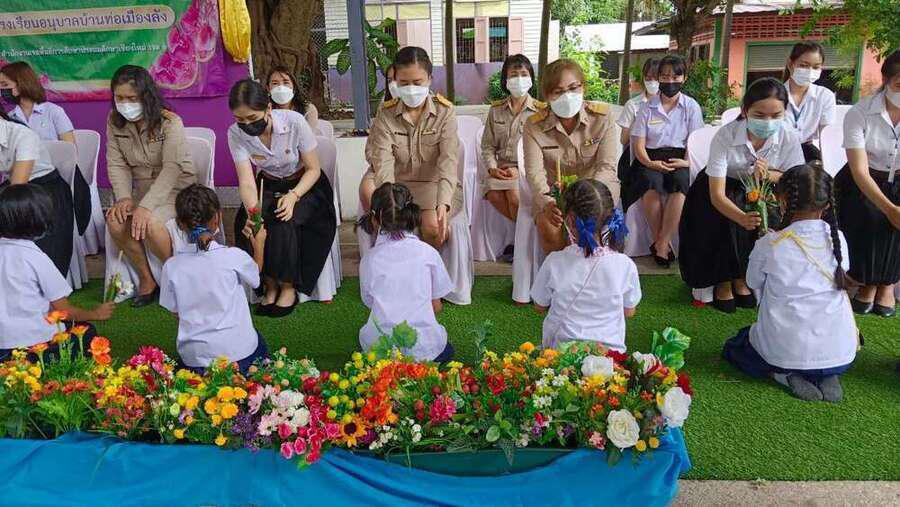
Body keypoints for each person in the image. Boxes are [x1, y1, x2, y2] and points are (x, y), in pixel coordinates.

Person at [722, 163, 856, 402]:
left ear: (782, 200)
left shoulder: (771, 244)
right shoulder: (838, 239)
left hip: (784, 350)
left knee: (737, 346)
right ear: (827, 205)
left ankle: (783, 374)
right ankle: (827, 373)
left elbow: (752, 281)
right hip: (840, 351)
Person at [679, 77, 805, 313]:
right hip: (718, 189)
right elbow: (716, 194)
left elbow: (796, 177)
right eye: (760, 115)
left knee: (763, 217)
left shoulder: (788, 137)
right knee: (724, 220)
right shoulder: (726, 135)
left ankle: (742, 277)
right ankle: (723, 280)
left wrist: (769, 175)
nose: (768, 122)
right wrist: (740, 217)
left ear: (785, 112)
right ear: (745, 110)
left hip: (761, 187)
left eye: (776, 115)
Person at [227, 79, 336, 318]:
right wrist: (253, 213)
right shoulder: (235, 133)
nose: (247, 125)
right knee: (248, 224)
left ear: (268, 108)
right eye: (240, 120)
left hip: (305, 185)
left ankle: (287, 287)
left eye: (252, 118)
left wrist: (293, 196)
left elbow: (313, 169)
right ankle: (269, 285)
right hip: (267, 183)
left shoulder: (294, 121)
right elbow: (247, 182)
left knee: (283, 218)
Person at [105, 65, 197, 308]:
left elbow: (172, 169)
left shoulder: (170, 122)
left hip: (177, 190)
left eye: (131, 98)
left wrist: (145, 208)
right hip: (142, 191)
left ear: (146, 96)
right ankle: (147, 279)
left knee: (152, 223)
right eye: (119, 98)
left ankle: (176, 277)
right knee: (115, 220)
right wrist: (124, 197)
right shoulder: (114, 121)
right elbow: (117, 163)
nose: (125, 104)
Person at [160, 185, 268, 374]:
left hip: (195, 361)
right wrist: (259, 244)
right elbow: (255, 275)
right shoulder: (233, 256)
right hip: (240, 356)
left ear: (180, 224)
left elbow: (175, 312)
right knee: (259, 343)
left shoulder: (171, 266)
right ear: (217, 218)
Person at [0, 184, 114, 361]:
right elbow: (64, 310)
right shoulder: (35, 257)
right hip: (34, 347)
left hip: (2, 346)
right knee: (87, 331)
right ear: (39, 220)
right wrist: (96, 314)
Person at [365, 46, 460, 250]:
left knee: (434, 228)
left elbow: (448, 162)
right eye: (404, 83)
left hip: (434, 185)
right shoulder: (386, 113)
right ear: (395, 81)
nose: (411, 89)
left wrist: (443, 202)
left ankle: (427, 267)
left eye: (417, 83)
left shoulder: (445, 112)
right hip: (400, 187)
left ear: (430, 79)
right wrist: (391, 201)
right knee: (393, 229)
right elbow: (383, 162)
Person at [523, 58, 620, 254]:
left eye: (573, 88)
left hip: (597, 191)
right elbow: (535, 173)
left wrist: (589, 199)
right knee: (550, 227)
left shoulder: (602, 117)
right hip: (555, 194)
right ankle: (560, 270)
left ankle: (598, 271)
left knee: (597, 225)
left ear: (583, 87)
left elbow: (607, 166)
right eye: (558, 91)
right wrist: (549, 203)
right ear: (547, 96)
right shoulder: (534, 125)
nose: (567, 96)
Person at [531, 179, 640, 352]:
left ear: (570, 220)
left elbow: (540, 306)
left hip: (561, 357)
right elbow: (629, 311)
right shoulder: (625, 265)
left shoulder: (554, 261)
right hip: (610, 358)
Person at [358, 182, 454, 362]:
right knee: (446, 350)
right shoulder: (429, 253)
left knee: (366, 345)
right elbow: (436, 306)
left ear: (375, 218)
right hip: (424, 348)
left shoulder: (369, 259)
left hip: (381, 350)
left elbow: (369, 301)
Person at [837, 50, 900, 317]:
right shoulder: (860, 112)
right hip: (863, 179)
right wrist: (889, 209)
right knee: (870, 214)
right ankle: (866, 282)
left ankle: (887, 284)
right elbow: (859, 170)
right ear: (886, 80)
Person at [627, 55, 704, 267]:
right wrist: (650, 163)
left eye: (675, 76)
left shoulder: (691, 106)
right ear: (659, 78)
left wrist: (686, 163)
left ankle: (663, 241)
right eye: (665, 76)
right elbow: (638, 145)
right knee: (650, 182)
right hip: (649, 158)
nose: (670, 81)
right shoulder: (646, 107)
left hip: (680, 158)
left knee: (681, 181)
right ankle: (659, 240)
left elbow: (696, 141)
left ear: (684, 78)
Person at [0, 110, 74, 276]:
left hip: (44, 190)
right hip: (13, 188)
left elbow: (17, 187)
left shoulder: (23, 135)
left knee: (44, 249)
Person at [481, 54, 545, 231]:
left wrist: (519, 170)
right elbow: (487, 146)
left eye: (524, 74)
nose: (519, 79)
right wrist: (492, 168)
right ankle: (523, 234)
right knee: (492, 194)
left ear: (531, 78)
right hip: (500, 170)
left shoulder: (540, 112)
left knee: (514, 197)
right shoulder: (495, 110)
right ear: (505, 80)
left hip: (528, 170)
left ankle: (521, 240)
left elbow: (544, 150)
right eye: (514, 75)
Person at [782, 42, 837, 162]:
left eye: (816, 67)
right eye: (803, 65)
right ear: (790, 64)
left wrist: (827, 163)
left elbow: (826, 136)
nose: (810, 71)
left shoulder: (824, 96)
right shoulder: (774, 94)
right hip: (777, 151)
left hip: (807, 152)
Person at [0, 61, 75, 143]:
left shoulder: (53, 111)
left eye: (5, 85)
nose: (1, 90)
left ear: (22, 84)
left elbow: (70, 146)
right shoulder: (10, 117)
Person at [358, 64, 397, 214]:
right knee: (368, 190)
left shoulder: (429, 107)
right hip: (382, 166)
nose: (393, 85)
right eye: (390, 80)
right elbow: (371, 148)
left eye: (397, 79)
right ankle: (379, 227)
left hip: (414, 168)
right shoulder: (384, 108)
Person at [266, 65, 319, 134]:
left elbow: (309, 137)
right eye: (275, 83)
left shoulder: (308, 109)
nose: (281, 87)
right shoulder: (265, 111)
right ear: (268, 88)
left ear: (294, 87)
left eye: (286, 82)